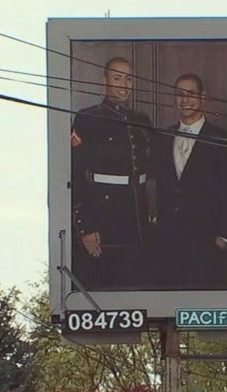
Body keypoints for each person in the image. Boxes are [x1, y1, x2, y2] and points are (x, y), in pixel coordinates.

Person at [70, 56, 154, 290]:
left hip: (139, 215)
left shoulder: (142, 120)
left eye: (129, 79)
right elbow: (76, 175)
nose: (124, 85)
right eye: (117, 78)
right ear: (104, 81)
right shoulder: (88, 118)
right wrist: (85, 226)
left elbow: (154, 172)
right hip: (105, 216)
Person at [153, 73, 227, 289]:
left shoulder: (223, 140)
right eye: (180, 94)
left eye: (191, 94)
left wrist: (224, 237)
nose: (185, 99)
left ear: (203, 97)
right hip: (166, 245)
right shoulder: (162, 138)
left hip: (207, 244)